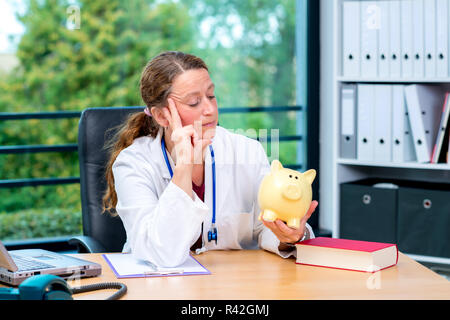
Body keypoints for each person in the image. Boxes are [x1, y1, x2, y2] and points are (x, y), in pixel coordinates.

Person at [102, 51, 318, 267]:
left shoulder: (246, 151)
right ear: (161, 115)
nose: (210, 109)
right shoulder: (133, 163)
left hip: (231, 284)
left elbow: (264, 226)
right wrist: (184, 167)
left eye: (211, 96)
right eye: (194, 102)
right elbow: (162, 254)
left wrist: (288, 237)